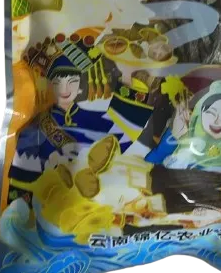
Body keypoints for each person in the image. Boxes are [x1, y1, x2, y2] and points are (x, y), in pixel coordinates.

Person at [8, 33, 153, 205]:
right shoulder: (36, 126)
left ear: (79, 85)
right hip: (48, 206)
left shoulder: (91, 117)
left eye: (72, 81)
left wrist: (127, 75)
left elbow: (124, 129)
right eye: (57, 82)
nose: (64, 89)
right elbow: (21, 178)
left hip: (94, 206)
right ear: (50, 84)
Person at [145, 79, 221, 185]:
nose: (217, 121)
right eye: (211, 112)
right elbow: (147, 169)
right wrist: (174, 136)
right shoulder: (181, 138)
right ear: (201, 112)